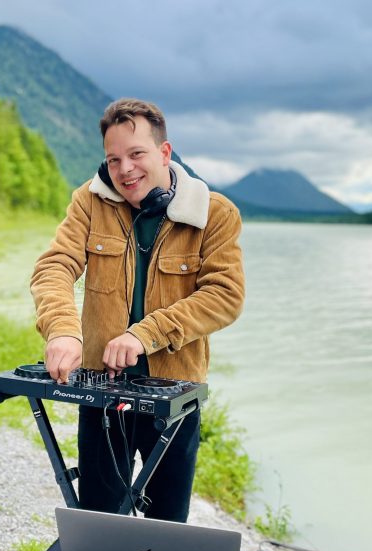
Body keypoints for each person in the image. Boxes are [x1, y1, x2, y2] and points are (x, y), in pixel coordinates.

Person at [30, 98, 244, 523]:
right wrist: (62, 330)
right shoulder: (88, 203)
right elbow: (54, 267)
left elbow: (225, 295)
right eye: (113, 158)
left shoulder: (215, 213)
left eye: (136, 154)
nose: (124, 168)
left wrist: (143, 334)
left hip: (175, 395)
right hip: (102, 392)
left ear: (164, 153)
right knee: (98, 519)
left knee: (166, 529)